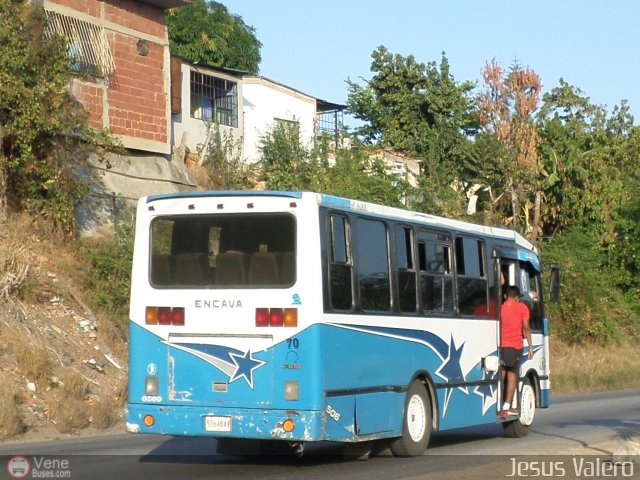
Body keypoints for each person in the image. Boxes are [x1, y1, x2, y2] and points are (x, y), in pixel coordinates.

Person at [498, 285, 533, 418]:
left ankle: (498, 404)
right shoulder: (522, 308)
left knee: (501, 374)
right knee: (512, 375)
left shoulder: (500, 309)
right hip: (515, 347)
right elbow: (526, 327)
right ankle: (507, 407)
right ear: (517, 298)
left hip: (501, 346)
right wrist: (530, 346)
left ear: (505, 296)